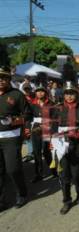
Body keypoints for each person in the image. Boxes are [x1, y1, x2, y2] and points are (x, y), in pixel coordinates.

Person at [51, 82, 79, 215]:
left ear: (76, 94)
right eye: (67, 93)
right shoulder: (57, 109)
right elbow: (52, 127)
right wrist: (53, 140)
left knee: (75, 173)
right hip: (61, 145)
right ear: (64, 95)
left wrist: (77, 133)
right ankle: (66, 200)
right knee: (64, 175)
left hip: (77, 145)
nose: (69, 96)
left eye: (72, 93)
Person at [0, 67, 30, 211]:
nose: (1, 80)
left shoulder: (17, 94)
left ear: (9, 79)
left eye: (4, 77)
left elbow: (28, 115)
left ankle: (22, 193)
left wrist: (13, 120)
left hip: (11, 137)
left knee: (13, 168)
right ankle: (1, 201)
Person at [30, 84, 54, 183]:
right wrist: (28, 128)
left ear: (46, 92)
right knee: (36, 152)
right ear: (35, 93)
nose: (40, 93)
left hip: (47, 128)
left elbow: (55, 117)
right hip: (35, 129)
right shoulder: (32, 104)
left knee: (47, 151)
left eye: (42, 91)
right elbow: (28, 117)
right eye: (38, 91)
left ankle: (53, 170)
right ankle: (38, 174)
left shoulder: (51, 104)